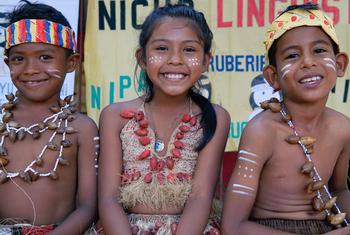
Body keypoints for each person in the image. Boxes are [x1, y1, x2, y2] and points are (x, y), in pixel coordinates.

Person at [98, 3, 230, 234]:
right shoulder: (114, 116)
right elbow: (109, 199)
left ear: (206, 60)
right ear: (142, 58)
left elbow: (200, 197)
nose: (175, 59)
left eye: (189, 50)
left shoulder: (215, 118)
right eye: (161, 48)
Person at [222, 3, 350, 235]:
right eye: (292, 55)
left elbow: (339, 191)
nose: (308, 62)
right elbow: (233, 226)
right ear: (273, 77)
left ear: (340, 64)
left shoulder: (342, 128)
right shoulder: (261, 131)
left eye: (319, 51)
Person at [0, 1, 98, 234]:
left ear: (71, 62)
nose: (30, 69)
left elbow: (88, 207)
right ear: (7, 64)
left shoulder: (81, 129)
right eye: (18, 59)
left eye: (45, 57)